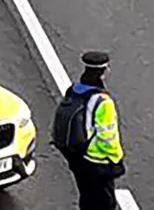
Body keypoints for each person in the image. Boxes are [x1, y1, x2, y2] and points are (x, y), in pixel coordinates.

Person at [51, 50, 126, 210]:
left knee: (87, 199)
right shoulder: (103, 101)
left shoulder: (74, 90)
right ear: (102, 73)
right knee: (104, 204)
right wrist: (116, 159)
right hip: (97, 161)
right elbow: (107, 137)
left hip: (76, 156)